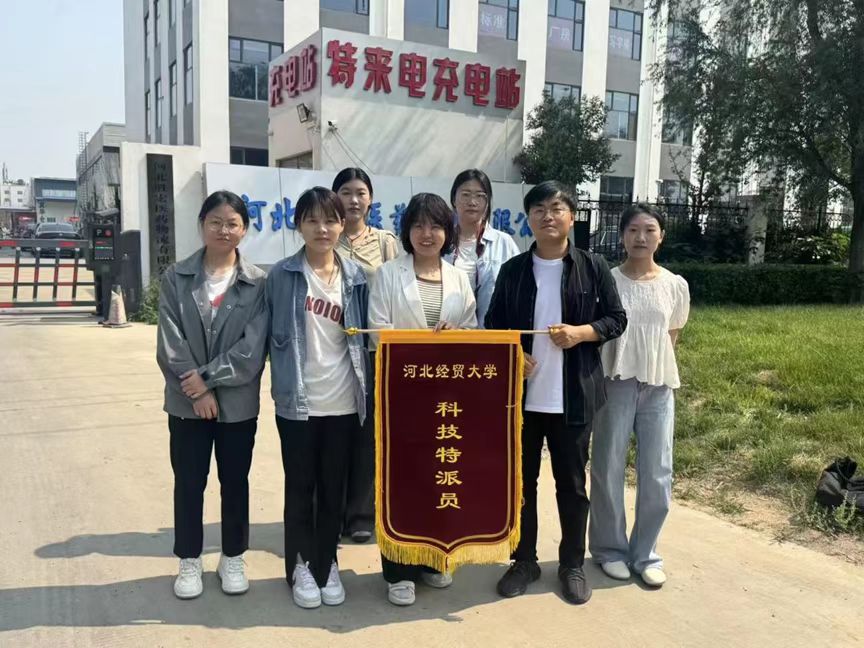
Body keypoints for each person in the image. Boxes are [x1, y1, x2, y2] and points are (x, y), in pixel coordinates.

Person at [485, 180, 627, 605]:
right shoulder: (513, 270)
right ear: (529, 218)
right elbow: (494, 325)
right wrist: (514, 354)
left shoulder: (593, 266)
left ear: (571, 216)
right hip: (521, 399)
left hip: (574, 396)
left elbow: (616, 319)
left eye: (556, 208)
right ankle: (523, 561)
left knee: (572, 485)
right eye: (539, 210)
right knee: (520, 484)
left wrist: (582, 332)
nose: (548, 216)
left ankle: (571, 564)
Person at [156, 190, 268, 600]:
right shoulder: (177, 277)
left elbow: (253, 349)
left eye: (232, 223)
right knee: (189, 482)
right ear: (202, 225)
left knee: (235, 481)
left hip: (237, 405)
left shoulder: (258, 283)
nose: (224, 230)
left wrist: (207, 380)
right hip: (186, 404)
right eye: (215, 222)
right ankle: (189, 559)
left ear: (244, 229)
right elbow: (170, 342)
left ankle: (232, 556)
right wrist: (196, 390)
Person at [368, 192, 477, 606]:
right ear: (407, 231)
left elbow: (472, 329)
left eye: (435, 226)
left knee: (441, 476)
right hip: (402, 393)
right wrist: (424, 347)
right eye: (418, 225)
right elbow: (377, 332)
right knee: (402, 482)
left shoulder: (459, 277)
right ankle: (399, 569)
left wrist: (456, 336)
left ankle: (434, 559)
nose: (426, 234)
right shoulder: (387, 275)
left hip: (447, 396)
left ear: (448, 232)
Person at [266, 186, 370, 610]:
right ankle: (300, 566)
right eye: (312, 220)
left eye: (330, 220)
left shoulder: (357, 277)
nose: (322, 228)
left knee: (333, 490)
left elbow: (372, 337)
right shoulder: (282, 276)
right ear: (298, 225)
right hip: (298, 402)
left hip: (344, 401)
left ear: (342, 225)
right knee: (300, 489)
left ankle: (327, 564)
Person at [589, 203, 690, 589]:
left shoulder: (674, 285)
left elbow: (672, 334)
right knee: (608, 466)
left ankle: (646, 553)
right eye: (633, 230)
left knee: (658, 471)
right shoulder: (608, 281)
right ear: (622, 236)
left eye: (649, 230)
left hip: (658, 386)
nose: (641, 237)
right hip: (614, 383)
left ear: (661, 236)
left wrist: (655, 370)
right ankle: (609, 550)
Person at [332, 167, 400, 544]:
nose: (353, 200)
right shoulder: (327, 237)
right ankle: (331, 510)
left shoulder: (386, 243)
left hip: (373, 351)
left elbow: (399, 289)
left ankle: (361, 514)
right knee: (334, 429)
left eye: (360, 192)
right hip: (332, 349)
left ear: (371, 199)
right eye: (346, 192)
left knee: (366, 433)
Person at [445, 169, 520, 327]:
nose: (472, 202)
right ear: (453, 199)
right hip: (447, 334)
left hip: (491, 335)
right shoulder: (442, 242)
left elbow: (518, 290)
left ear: (487, 202)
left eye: (480, 196)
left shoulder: (504, 243)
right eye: (465, 194)